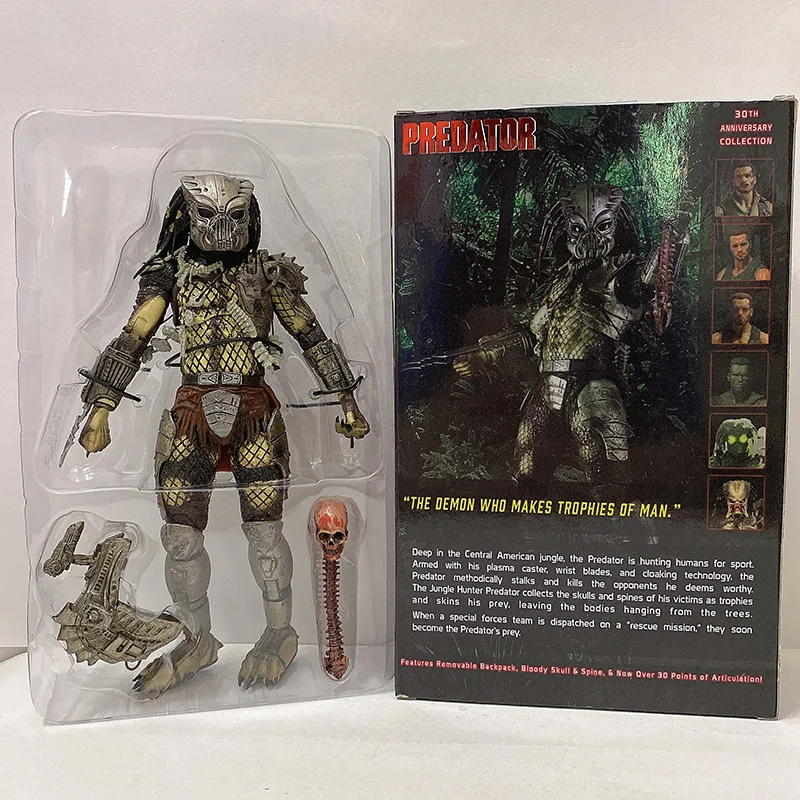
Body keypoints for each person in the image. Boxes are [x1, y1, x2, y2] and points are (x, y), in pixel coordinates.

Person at [75, 173, 369, 696]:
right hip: (190, 412)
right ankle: (196, 639)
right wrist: (101, 407)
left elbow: (310, 334)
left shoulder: (268, 273)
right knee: (180, 536)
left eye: (235, 216)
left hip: (255, 413)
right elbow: (135, 334)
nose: (223, 228)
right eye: (209, 216)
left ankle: (279, 634)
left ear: (250, 217)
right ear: (188, 217)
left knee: (265, 533)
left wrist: (347, 399)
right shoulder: (170, 275)